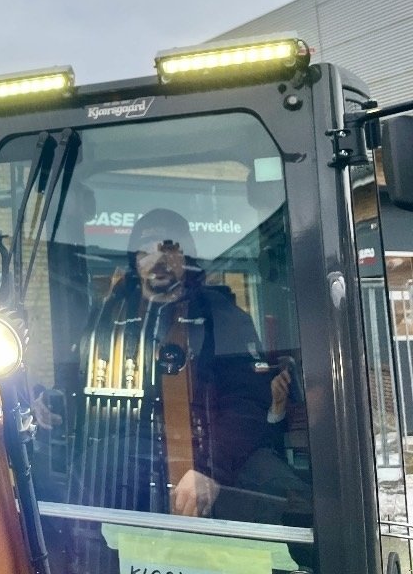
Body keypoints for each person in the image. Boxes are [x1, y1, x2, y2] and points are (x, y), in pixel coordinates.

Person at [65, 208, 309, 524]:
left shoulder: (223, 317)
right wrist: (54, 406)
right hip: (126, 463)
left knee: (288, 502)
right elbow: (80, 381)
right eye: (146, 250)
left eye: (169, 248)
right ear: (134, 261)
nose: (159, 259)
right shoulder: (108, 316)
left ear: (186, 258)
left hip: (213, 461)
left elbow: (247, 405)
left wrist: (210, 469)